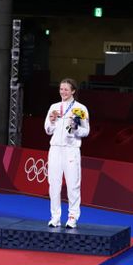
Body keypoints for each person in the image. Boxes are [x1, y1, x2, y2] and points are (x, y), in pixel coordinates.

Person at [44, 78, 90, 229]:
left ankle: (72, 217)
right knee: (54, 185)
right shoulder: (54, 107)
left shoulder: (80, 109)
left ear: (73, 91)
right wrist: (51, 121)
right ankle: (55, 217)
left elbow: (86, 131)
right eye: (61, 89)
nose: (63, 92)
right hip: (55, 148)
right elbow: (47, 130)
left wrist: (75, 128)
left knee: (73, 185)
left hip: (71, 150)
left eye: (66, 89)